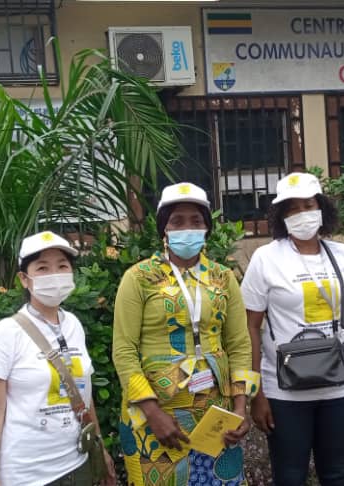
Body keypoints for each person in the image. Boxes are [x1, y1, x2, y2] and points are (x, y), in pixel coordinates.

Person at [112, 182, 257, 486]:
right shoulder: (138, 278)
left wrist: (241, 407)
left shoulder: (223, 277)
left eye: (196, 220)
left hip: (216, 417)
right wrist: (153, 413)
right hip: (158, 416)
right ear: (164, 228)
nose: (187, 228)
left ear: (207, 228)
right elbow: (124, 350)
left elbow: (239, 344)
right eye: (177, 221)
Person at [241, 172, 344, 486]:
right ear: (281, 215)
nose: (302, 214)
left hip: (341, 387)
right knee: (289, 477)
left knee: (339, 474)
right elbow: (250, 326)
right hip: (283, 391)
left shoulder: (343, 255)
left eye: (308, 204)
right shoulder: (266, 259)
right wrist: (256, 392)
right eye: (292, 208)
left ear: (322, 208)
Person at [0, 231, 115, 486]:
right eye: (42, 268)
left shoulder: (73, 324)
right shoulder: (5, 333)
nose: (54, 274)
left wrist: (100, 447)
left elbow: (84, 394)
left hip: (77, 466)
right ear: (24, 279)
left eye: (62, 266)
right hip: (27, 475)